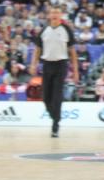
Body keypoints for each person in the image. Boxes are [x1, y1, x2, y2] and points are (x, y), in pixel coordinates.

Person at [29, 7, 79, 138]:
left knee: (57, 95)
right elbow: (37, 49)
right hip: (47, 64)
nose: (55, 14)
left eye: (57, 12)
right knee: (45, 97)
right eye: (52, 12)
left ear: (61, 15)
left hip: (61, 65)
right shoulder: (44, 30)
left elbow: (72, 52)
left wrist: (75, 71)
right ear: (49, 15)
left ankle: (55, 125)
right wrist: (33, 64)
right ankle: (55, 116)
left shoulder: (66, 30)